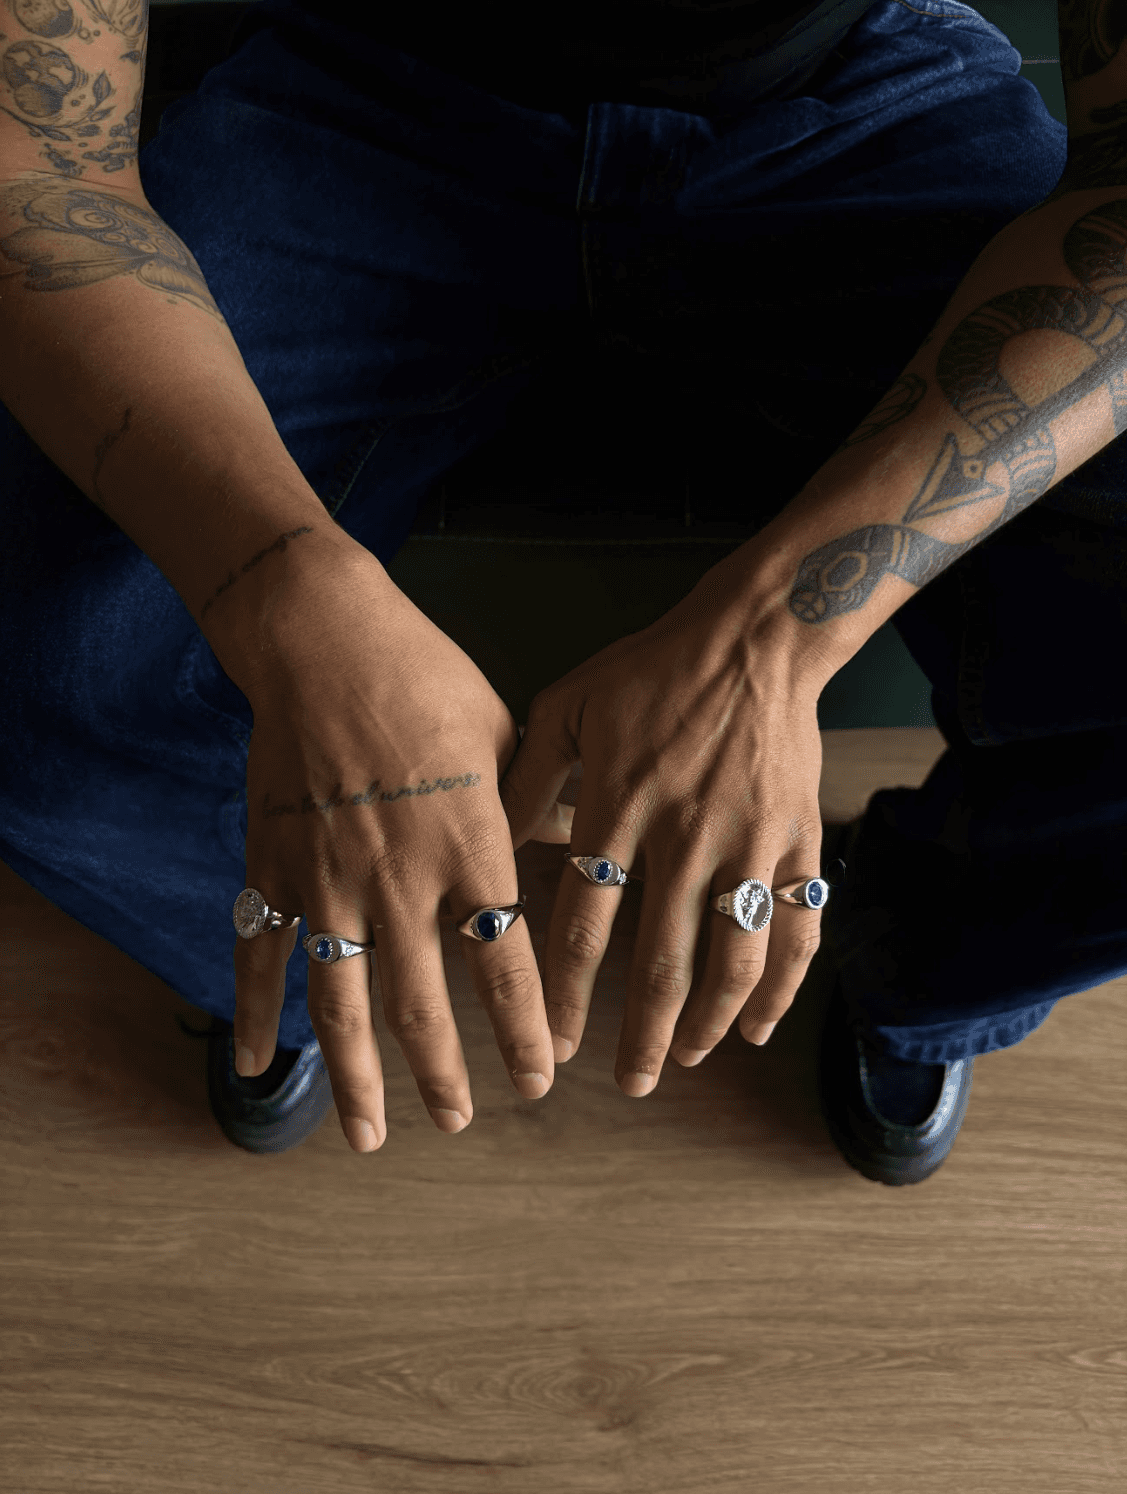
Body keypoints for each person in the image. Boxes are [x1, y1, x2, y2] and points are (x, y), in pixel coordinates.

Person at [1, 0, 1124, 1183]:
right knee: (39, 682)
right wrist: (282, 590)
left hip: (855, 101)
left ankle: (920, 967)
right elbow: (33, 168)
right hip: (349, 91)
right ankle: (282, 949)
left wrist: (776, 633)